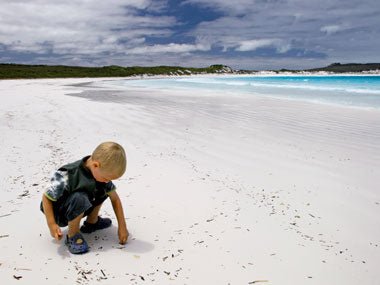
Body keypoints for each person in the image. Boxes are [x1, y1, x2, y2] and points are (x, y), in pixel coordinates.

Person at [40, 141, 129, 254]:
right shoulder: (66, 174)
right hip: (59, 212)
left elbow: (115, 199)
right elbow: (46, 198)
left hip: (80, 205)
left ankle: (92, 222)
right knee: (80, 197)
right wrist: (51, 224)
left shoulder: (100, 173)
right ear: (96, 165)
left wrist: (122, 226)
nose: (107, 181)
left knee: (104, 189)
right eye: (106, 178)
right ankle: (73, 234)